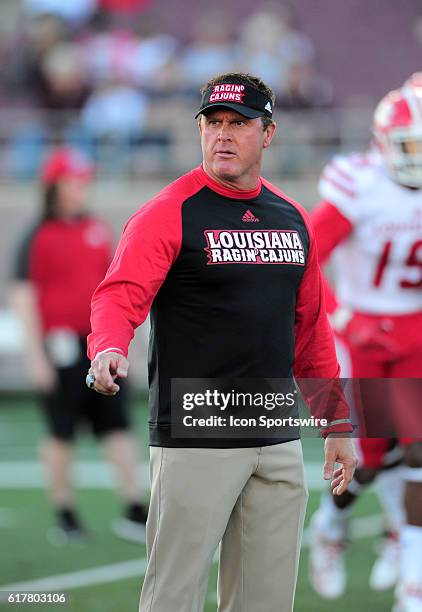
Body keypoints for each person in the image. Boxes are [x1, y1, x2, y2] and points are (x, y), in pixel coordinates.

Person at [86, 71, 357, 612]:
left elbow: (311, 330)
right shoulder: (169, 211)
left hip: (275, 435)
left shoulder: (293, 219)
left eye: (239, 123)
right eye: (213, 123)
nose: (223, 135)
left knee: (266, 603)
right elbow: (118, 294)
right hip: (197, 435)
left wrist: (336, 423)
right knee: (172, 598)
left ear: (269, 133)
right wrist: (107, 347)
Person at [308, 76, 422, 612]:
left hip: (417, 329)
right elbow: (305, 254)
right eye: (412, 145)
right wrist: (339, 311)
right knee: (371, 461)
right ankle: (330, 525)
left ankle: (413, 582)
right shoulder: (361, 184)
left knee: (419, 451)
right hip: (365, 333)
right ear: (385, 143)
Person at [9, 147, 148, 544]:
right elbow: (23, 296)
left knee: (118, 426)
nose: (82, 186)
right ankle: (66, 512)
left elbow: (113, 288)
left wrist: (127, 346)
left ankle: (134, 507)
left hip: (98, 345)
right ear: (55, 186)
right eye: (75, 179)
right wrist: (35, 355)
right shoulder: (37, 235)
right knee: (61, 432)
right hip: (58, 349)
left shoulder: (97, 228)